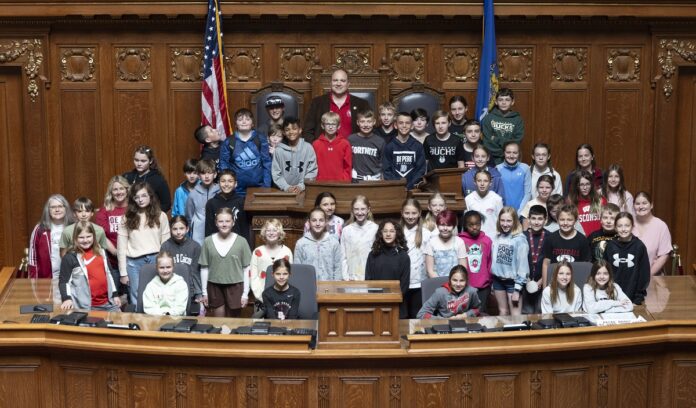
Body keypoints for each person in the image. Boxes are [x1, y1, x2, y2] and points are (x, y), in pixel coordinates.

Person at [117, 181, 170, 307]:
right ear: (133, 199)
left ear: (150, 196)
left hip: (155, 259)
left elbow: (166, 243)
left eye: (144, 196)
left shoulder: (161, 215)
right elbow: (121, 248)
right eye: (136, 197)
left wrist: (165, 263)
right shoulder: (126, 218)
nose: (140, 200)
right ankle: (139, 325)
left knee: (158, 293)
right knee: (136, 296)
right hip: (134, 262)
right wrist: (123, 273)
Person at [199, 207, 252, 317]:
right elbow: (204, 268)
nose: (224, 224)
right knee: (219, 323)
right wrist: (204, 292)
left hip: (236, 286)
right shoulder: (208, 241)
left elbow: (247, 269)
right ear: (216, 223)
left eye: (227, 221)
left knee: (233, 324)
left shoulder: (242, 242)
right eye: (221, 221)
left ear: (233, 222)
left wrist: (245, 294)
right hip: (214, 286)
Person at [59, 221, 121, 311]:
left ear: (94, 236)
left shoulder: (101, 252)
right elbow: (64, 281)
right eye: (81, 237)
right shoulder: (70, 258)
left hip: (109, 303)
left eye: (88, 236)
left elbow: (109, 274)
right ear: (75, 238)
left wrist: (115, 295)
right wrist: (66, 299)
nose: (85, 240)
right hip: (86, 306)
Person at [303, 68, 371, 142]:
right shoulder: (317, 103)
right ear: (331, 83)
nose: (338, 84)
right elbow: (307, 131)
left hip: (353, 150)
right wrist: (317, 148)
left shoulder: (362, 104)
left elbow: (370, 128)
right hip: (324, 150)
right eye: (335, 80)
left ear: (348, 84)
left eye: (342, 81)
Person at [29, 195, 75, 302]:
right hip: (50, 278)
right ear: (48, 210)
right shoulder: (40, 229)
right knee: (53, 308)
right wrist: (33, 281)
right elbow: (33, 258)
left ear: (66, 208)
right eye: (53, 207)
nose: (57, 209)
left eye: (60, 206)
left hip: (72, 278)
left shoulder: (74, 226)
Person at [218, 108, 272, 195]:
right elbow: (224, 164)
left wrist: (266, 186)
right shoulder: (229, 141)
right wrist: (228, 184)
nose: (244, 122)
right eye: (240, 120)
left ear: (252, 123)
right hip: (236, 189)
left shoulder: (260, 139)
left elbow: (267, 163)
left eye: (247, 119)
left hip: (259, 187)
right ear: (235, 124)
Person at [365, 220, 411, 318]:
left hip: (397, 306)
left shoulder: (403, 256)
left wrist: (392, 300)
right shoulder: (373, 255)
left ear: (397, 233)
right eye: (385, 231)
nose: (388, 234)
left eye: (392, 231)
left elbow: (404, 285)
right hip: (376, 305)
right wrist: (378, 301)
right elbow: (368, 281)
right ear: (381, 233)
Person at [603, 212, 650, 305]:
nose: (623, 229)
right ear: (615, 228)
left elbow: (644, 275)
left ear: (632, 226)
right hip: (613, 298)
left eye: (627, 226)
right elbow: (605, 272)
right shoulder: (611, 246)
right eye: (620, 226)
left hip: (633, 299)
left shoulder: (639, 246)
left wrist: (637, 299)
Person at [491, 207, 530, 316]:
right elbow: (494, 262)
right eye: (502, 220)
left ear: (515, 221)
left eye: (509, 221)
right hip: (498, 281)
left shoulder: (520, 240)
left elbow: (523, 267)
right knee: (503, 312)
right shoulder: (497, 237)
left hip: (513, 283)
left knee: (515, 316)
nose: (505, 224)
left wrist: (517, 289)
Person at [541, 204, 591, 287]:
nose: (565, 223)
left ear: (575, 221)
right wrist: (545, 288)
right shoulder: (550, 239)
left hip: (575, 284)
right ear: (557, 220)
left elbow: (586, 267)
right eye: (562, 219)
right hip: (554, 284)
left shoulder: (582, 240)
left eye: (569, 220)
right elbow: (546, 264)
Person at [401, 198, 433, 318]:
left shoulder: (426, 233)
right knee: (402, 317)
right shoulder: (398, 232)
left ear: (419, 213)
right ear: (402, 213)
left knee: (417, 316)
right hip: (402, 284)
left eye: (414, 213)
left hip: (419, 284)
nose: (410, 216)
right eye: (407, 213)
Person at [250, 219, 293, 306]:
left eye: (274, 230)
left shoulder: (287, 252)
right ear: (264, 233)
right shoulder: (257, 252)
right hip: (261, 297)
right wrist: (260, 296)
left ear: (279, 233)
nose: (271, 233)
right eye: (268, 230)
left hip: (282, 298)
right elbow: (253, 276)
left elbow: (289, 276)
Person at [160, 216, 202, 306]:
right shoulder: (165, 246)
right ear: (170, 230)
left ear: (187, 229)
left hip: (190, 291)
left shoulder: (195, 247)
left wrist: (199, 293)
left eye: (181, 228)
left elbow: (196, 272)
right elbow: (162, 271)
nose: (178, 232)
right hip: (170, 291)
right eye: (175, 229)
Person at [458, 210, 493, 315]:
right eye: (471, 225)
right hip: (465, 286)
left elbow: (490, 262)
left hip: (483, 286)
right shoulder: (460, 240)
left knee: (481, 313)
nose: (474, 227)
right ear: (465, 225)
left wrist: (489, 281)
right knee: (465, 314)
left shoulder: (487, 241)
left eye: (477, 224)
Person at [294, 207, 344, 281]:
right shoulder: (301, 243)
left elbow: (338, 269)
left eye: (321, 220)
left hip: (329, 287)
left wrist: (334, 287)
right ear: (309, 222)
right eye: (314, 220)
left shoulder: (334, 243)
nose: (318, 224)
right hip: (308, 287)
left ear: (326, 222)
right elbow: (297, 270)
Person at [95, 176, 130, 279]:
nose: (118, 192)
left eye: (121, 188)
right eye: (115, 189)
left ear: (127, 190)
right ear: (111, 192)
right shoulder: (105, 210)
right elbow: (101, 234)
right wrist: (115, 252)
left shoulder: (133, 208)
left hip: (132, 258)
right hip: (112, 261)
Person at [271, 116, 318, 193]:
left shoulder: (308, 148)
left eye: (294, 129)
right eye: (287, 130)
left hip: (304, 190)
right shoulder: (279, 150)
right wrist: (286, 187)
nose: (291, 132)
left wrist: (301, 186)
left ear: (300, 130)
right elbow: (276, 173)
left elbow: (312, 170)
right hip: (282, 191)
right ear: (283, 132)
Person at [382, 111, 426, 190]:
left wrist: (409, 186)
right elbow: (387, 171)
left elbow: (420, 170)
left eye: (407, 123)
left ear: (412, 126)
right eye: (401, 123)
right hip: (394, 189)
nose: (404, 126)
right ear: (395, 125)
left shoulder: (418, 146)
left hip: (413, 189)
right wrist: (398, 186)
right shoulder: (389, 146)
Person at [481, 88, 525, 165]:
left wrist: (496, 139)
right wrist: (504, 152)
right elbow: (487, 142)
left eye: (507, 100)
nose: (504, 102)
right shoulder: (488, 118)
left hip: (510, 158)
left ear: (512, 102)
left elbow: (517, 141)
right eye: (500, 100)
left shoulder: (518, 119)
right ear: (496, 102)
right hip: (491, 160)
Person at [632, 191, 672, 276]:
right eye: (637, 203)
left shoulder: (661, 226)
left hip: (653, 277)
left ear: (651, 205)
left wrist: (648, 275)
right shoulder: (628, 223)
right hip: (629, 278)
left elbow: (664, 255)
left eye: (644, 203)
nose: (641, 206)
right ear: (633, 206)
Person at [122, 145, 171, 212]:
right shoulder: (126, 177)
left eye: (143, 161)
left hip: (151, 218)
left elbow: (166, 204)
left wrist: (153, 215)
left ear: (150, 161)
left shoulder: (158, 180)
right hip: (130, 217)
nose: (139, 164)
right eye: (136, 160)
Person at [204, 170, 248, 243]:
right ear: (218, 183)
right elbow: (208, 230)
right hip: (217, 243)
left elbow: (244, 229)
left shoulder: (241, 202)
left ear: (235, 183)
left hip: (236, 243)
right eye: (223, 181)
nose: (226, 184)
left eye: (230, 181)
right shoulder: (211, 203)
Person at [340, 195, 378, 281]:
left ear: (368, 209)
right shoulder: (347, 230)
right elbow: (343, 256)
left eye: (363, 209)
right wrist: (346, 278)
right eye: (356, 209)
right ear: (352, 210)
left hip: (370, 276)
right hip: (351, 276)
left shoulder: (375, 228)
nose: (360, 213)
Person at [142, 250, 189, 316]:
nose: (165, 270)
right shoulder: (151, 286)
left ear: (173, 267)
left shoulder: (181, 284)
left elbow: (180, 308)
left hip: (177, 321)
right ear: (156, 268)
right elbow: (149, 308)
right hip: (156, 320)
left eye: (168, 267)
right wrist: (163, 314)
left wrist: (167, 314)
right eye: (161, 267)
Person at [185, 159, 220, 245]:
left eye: (209, 173)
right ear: (199, 176)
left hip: (217, 229)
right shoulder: (193, 194)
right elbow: (189, 216)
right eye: (203, 173)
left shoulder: (220, 191)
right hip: (199, 233)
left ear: (215, 174)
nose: (207, 176)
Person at [424, 210, 468, 278]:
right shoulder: (431, 243)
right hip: (437, 283)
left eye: (449, 225)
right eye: (442, 225)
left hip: (456, 283)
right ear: (437, 225)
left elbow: (463, 268)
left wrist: (454, 284)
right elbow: (430, 271)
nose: (445, 228)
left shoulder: (459, 242)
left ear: (453, 226)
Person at [522, 205, 549, 314]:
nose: (536, 222)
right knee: (526, 314)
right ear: (528, 219)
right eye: (533, 218)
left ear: (545, 220)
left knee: (540, 312)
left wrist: (541, 281)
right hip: (525, 282)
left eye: (540, 219)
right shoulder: (522, 237)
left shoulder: (550, 237)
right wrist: (526, 279)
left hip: (543, 282)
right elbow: (518, 261)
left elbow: (551, 262)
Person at [312, 111, 352, 182]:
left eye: (333, 124)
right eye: (327, 124)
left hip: (340, 183)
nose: (330, 127)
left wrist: (344, 181)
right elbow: (312, 165)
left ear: (338, 126)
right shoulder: (316, 144)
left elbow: (348, 166)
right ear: (322, 126)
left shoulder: (345, 144)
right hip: (320, 182)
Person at [465, 169, 504, 239]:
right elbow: (467, 222)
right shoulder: (468, 199)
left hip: (492, 238)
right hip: (475, 238)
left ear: (490, 182)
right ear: (474, 182)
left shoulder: (497, 199)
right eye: (479, 181)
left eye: (485, 181)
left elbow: (501, 220)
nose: (482, 184)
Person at [349, 110, 385, 182]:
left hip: (375, 181)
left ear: (374, 122)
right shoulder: (350, 139)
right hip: (355, 180)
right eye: (362, 121)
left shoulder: (380, 141)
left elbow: (383, 164)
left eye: (369, 121)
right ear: (357, 122)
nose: (366, 125)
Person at [567, 169, 606, 236]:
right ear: (577, 186)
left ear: (592, 185)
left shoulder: (601, 200)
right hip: (580, 241)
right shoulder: (570, 202)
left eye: (587, 184)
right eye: (581, 185)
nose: (585, 188)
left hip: (598, 240)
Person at [496, 141, 531, 213]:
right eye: (508, 152)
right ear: (504, 153)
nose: (511, 156)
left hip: (521, 213)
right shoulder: (498, 169)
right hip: (503, 213)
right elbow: (496, 195)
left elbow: (528, 193)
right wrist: (503, 213)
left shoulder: (525, 168)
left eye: (515, 153)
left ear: (519, 154)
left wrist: (519, 213)